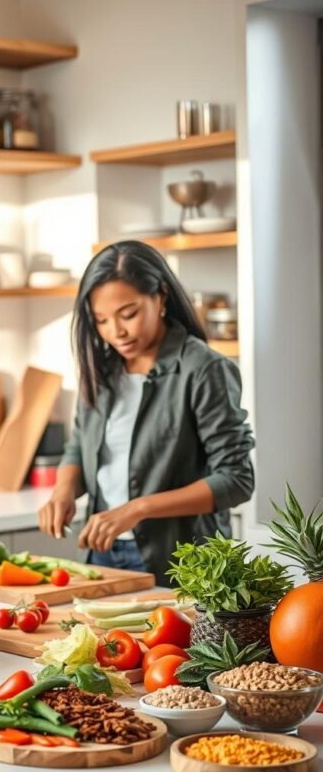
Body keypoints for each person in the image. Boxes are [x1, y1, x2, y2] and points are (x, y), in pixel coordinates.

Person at [38, 240, 255, 586]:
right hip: (101, 553)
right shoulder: (101, 368)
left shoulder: (202, 368)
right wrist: (63, 490)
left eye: (128, 314)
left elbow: (236, 479)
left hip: (183, 561)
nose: (116, 332)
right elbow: (80, 443)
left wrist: (137, 508)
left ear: (161, 296)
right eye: (102, 321)